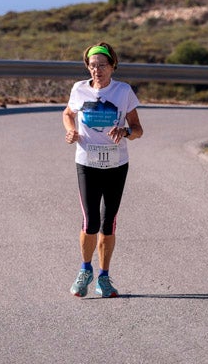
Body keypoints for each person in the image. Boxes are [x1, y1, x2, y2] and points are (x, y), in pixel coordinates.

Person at [62, 41, 143, 298]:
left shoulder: (124, 91)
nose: (96, 70)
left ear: (113, 66)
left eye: (102, 65)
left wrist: (125, 131)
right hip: (87, 162)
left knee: (109, 223)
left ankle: (104, 278)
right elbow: (67, 113)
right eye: (92, 65)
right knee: (91, 221)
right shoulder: (79, 89)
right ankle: (85, 270)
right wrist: (71, 131)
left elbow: (138, 129)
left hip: (116, 164)